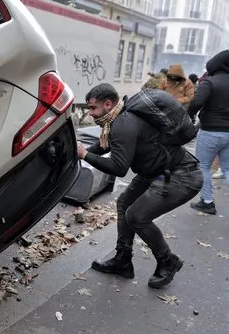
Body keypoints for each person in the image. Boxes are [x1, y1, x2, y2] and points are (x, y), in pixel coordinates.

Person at [78, 83, 202, 289]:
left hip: (181, 175)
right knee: (124, 203)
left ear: (108, 104)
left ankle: (168, 261)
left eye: (93, 108)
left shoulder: (122, 124)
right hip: (156, 172)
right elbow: (105, 145)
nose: (91, 114)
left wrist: (85, 155)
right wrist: (79, 153)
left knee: (136, 216)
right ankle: (123, 259)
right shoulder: (118, 119)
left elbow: (118, 167)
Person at [187, 50, 229, 217]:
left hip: (211, 131)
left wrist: (190, 116)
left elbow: (196, 103)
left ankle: (208, 202)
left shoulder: (210, 83)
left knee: (203, 166)